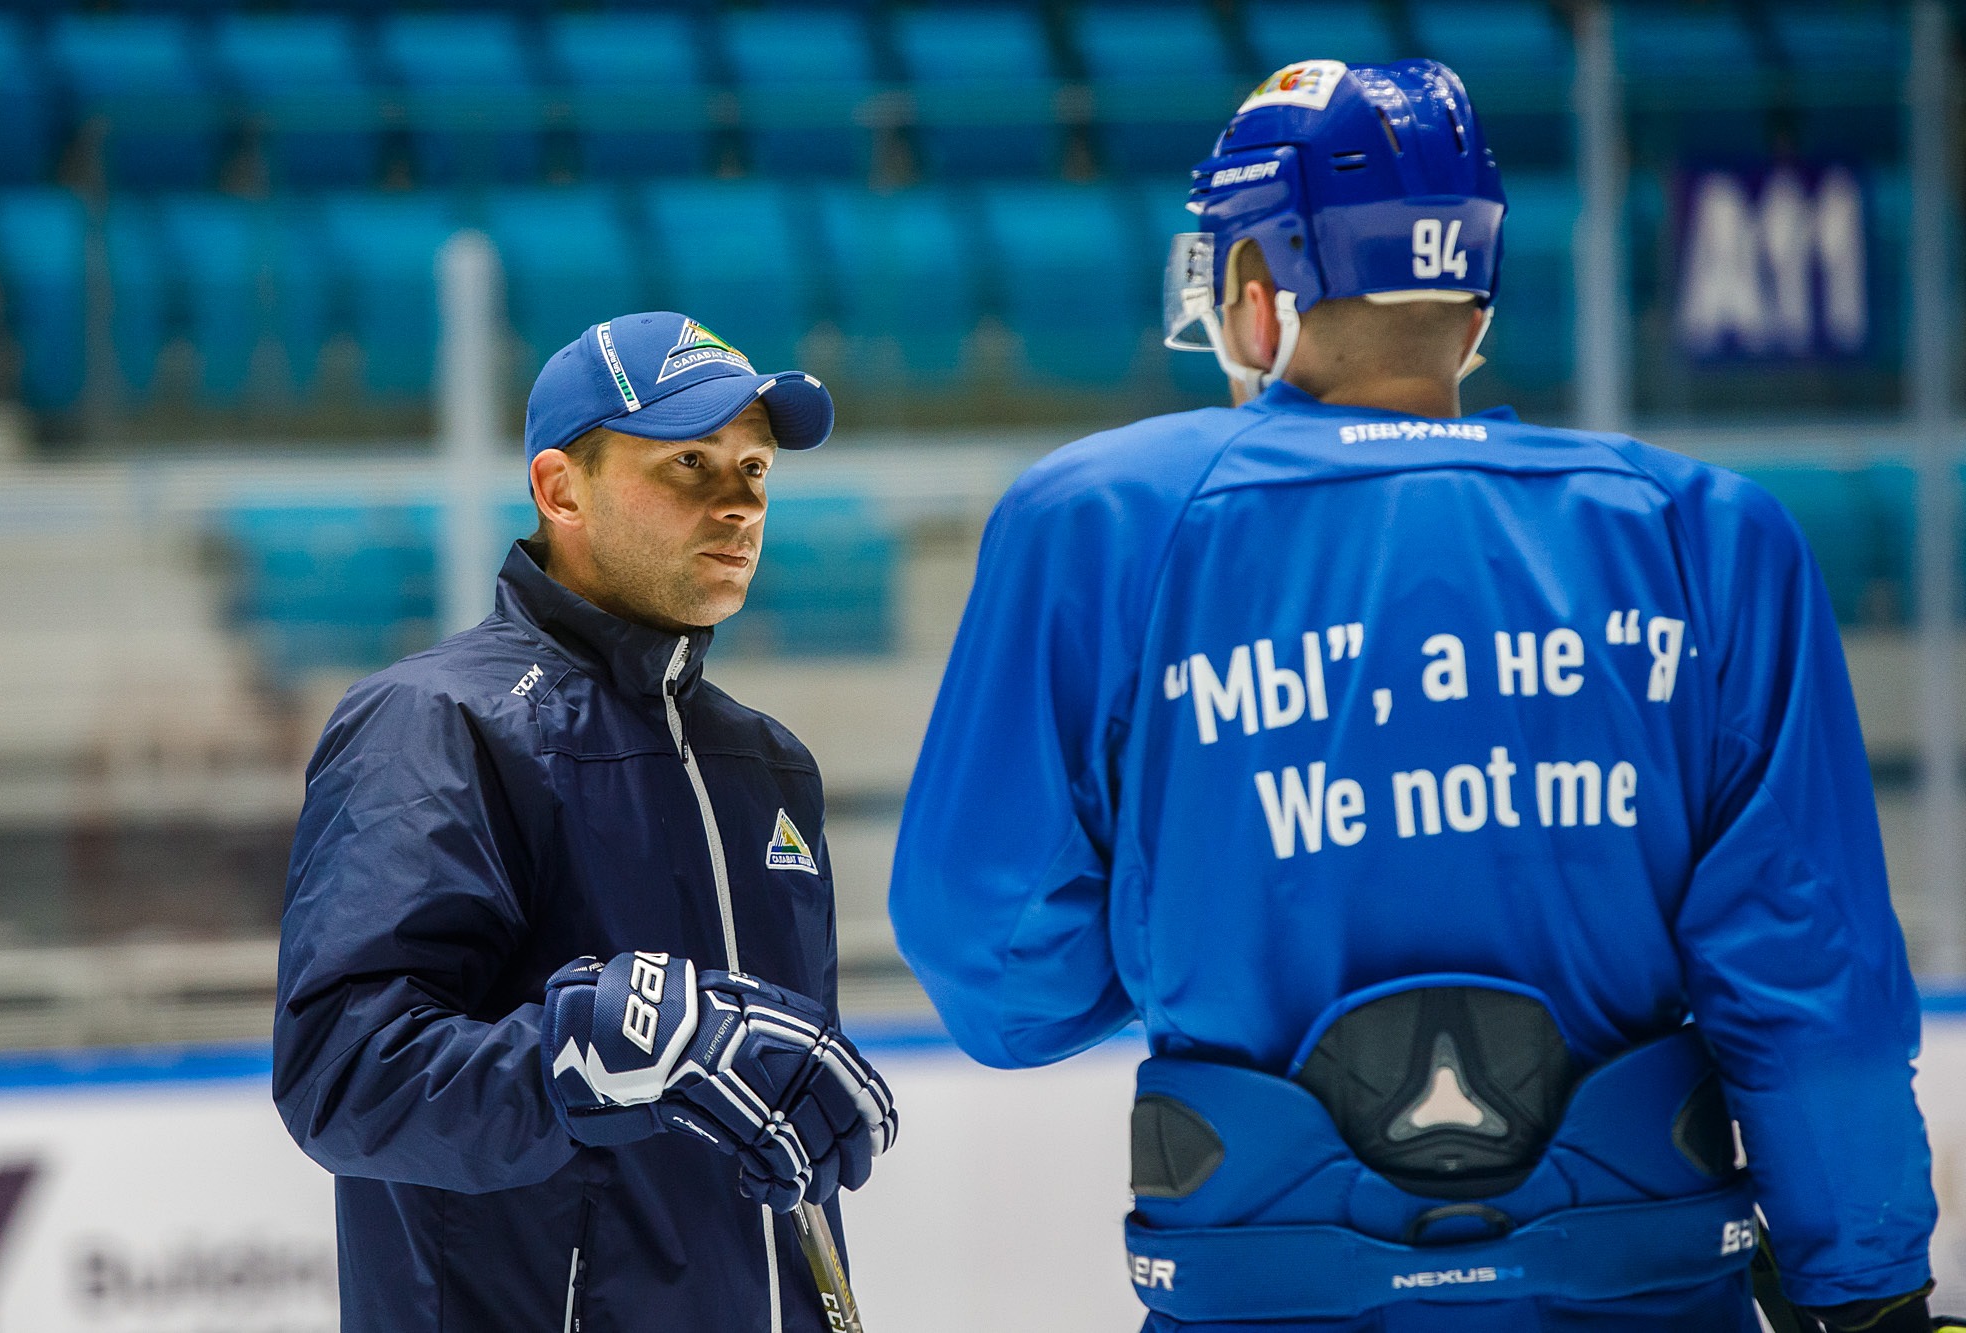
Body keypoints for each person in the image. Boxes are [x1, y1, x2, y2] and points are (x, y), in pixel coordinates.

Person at [890, 58, 1942, 1333]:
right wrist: (1866, 1293)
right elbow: (1809, 974)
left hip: (1268, 1289)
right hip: (1638, 1285)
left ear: (1254, 293)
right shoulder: (1703, 531)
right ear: (1472, 304)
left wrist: (1193, 916)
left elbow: (997, 969)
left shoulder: (1104, 518)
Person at [275, 311, 896, 1333]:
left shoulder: (767, 764)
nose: (739, 502)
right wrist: (592, 1051)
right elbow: (344, 1076)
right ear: (560, 489)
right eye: (690, 462)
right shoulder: (437, 722)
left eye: (753, 468)